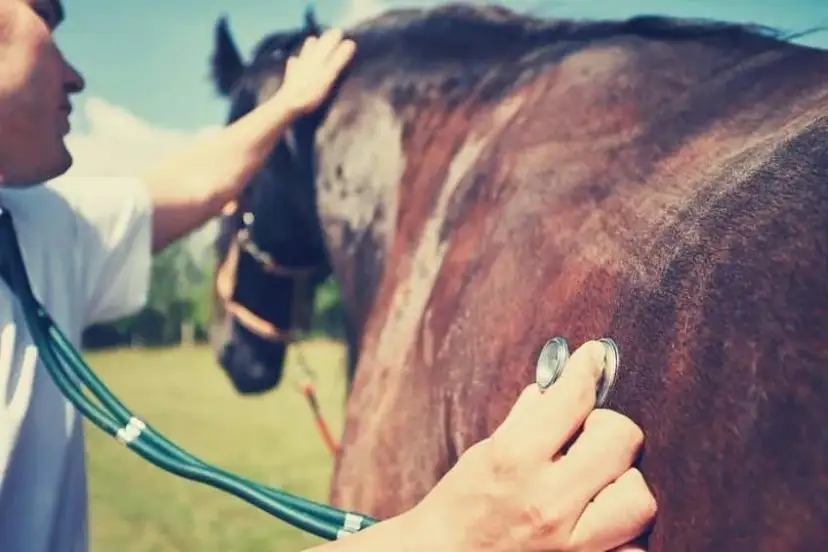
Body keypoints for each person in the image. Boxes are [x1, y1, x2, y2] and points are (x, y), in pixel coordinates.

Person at [0, 1, 657, 551]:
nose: (76, 73)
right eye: (44, 18)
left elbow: (191, 182)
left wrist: (287, 104)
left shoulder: (36, 224)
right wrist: (444, 536)